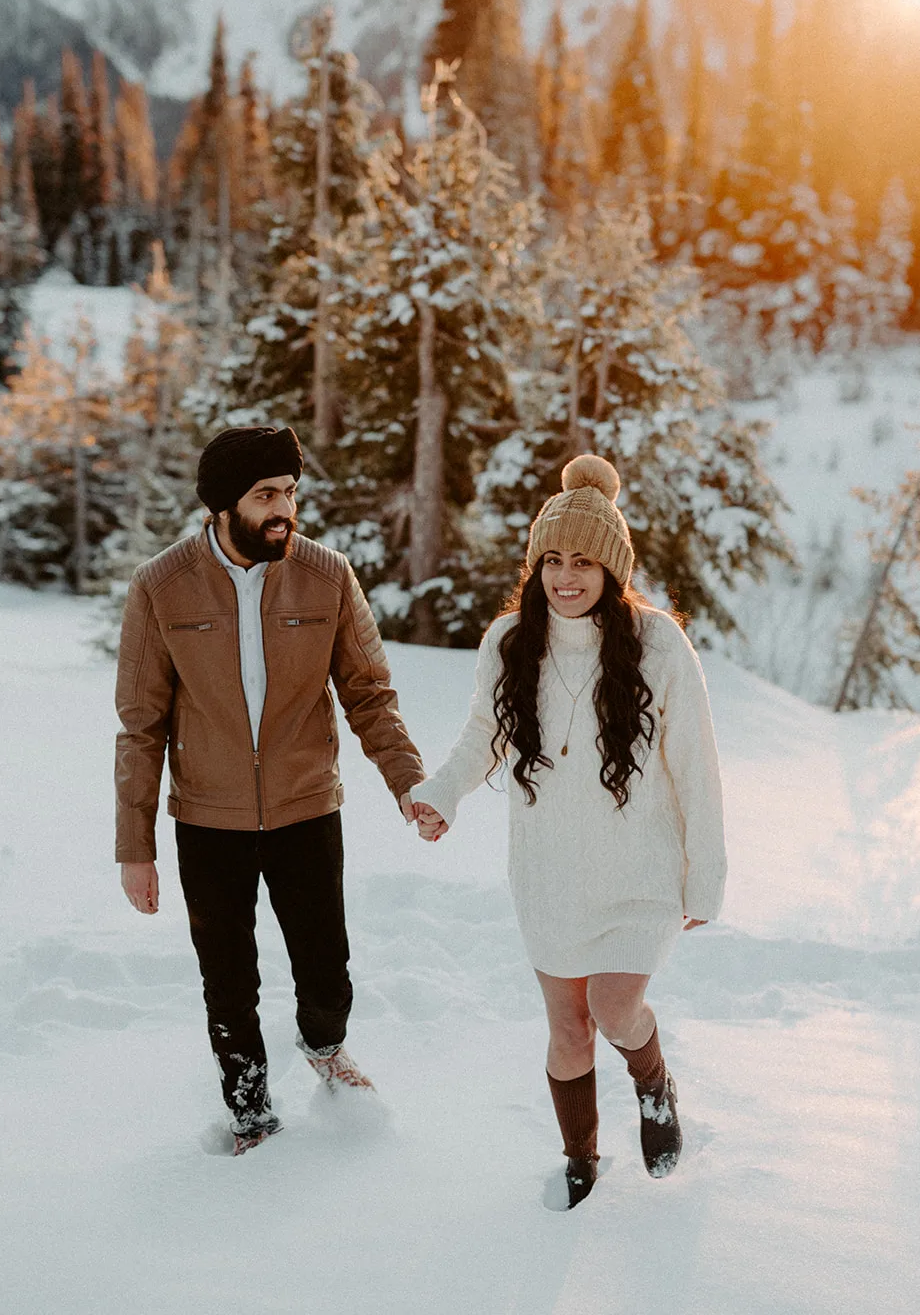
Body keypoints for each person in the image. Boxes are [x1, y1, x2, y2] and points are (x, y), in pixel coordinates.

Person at [410, 454, 726, 1207]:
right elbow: (483, 733)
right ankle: (580, 1160)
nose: (565, 577)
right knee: (569, 1026)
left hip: (640, 871)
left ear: (612, 569)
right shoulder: (510, 643)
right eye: (552, 560)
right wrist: (442, 795)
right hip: (549, 870)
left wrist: (705, 874)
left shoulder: (658, 647)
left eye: (583, 561)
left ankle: (653, 1085)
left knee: (616, 1006)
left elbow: (697, 766)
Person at [115, 425, 424, 1154]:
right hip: (207, 820)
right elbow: (140, 726)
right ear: (224, 506)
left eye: (289, 491)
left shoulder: (326, 575)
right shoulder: (161, 586)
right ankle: (248, 1107)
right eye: (265, 495)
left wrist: (407, 783)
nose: (283, 508)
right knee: (228, 981)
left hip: (306, 808)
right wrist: (136, 848)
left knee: (327, 973)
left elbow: (370, 694)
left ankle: (323, 1044)